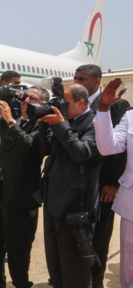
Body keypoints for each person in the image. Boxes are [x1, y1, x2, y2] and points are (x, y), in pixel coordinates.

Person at [0, 86, 50, 288]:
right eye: (25, 96)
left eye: (33, 98)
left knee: (18, 251)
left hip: (21, 198)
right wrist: (1, 98)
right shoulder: (7, 121)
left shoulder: (43, 124)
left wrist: (11, 121)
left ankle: (21, 283)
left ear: (43, 104)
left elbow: (30, 148)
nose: (26, 100)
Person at [37, 83, 101, 288]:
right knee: (55, 264)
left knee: (75, 269)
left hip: (76, 208)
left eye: (65, 101)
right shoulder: (64, 122)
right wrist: (43, 121)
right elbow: (44, 148)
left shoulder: (95, 123)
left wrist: (61, 125)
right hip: (53, 203)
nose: (61, 105)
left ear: (81, 102)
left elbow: (81, 153)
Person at [74, 64, 130, 288]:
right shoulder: (76, 101)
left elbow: (119, 148)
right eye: (75, 77)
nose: (77, 81)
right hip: (78, 183)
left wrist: (112, 183)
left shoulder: (119, 105)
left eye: (83, 78)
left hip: (103, 185)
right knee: (77, 235)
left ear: (97, 81)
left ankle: (94, 282)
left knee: (98, 237)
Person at [93, 78, 133, 288]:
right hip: (131, 207)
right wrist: (104, 108)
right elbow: (108, 147)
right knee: (129, 269)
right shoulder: (130, 116)